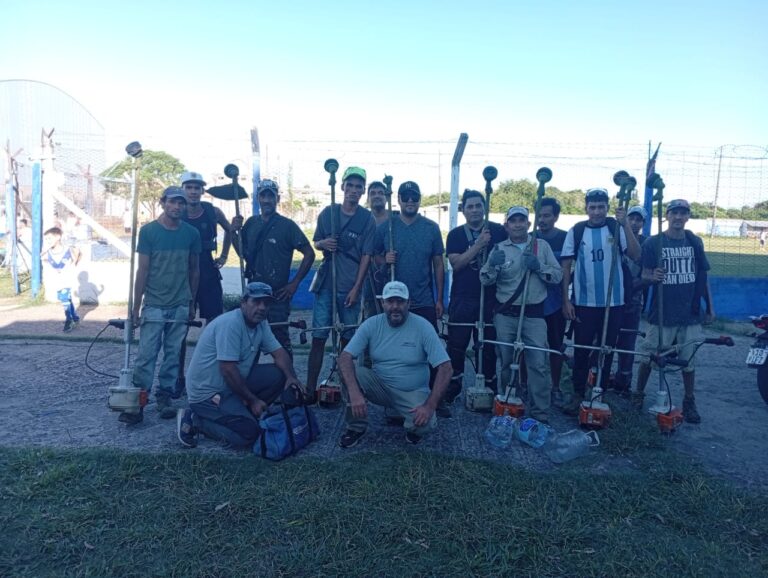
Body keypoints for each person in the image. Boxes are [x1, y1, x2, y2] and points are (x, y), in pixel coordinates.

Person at [176, 282, 305, 449]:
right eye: (256, 302)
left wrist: (292, 378)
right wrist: (252, 400)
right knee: (249, 435)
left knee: (279, 375)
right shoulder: (230, 324)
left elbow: (279, 352)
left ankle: (242, 413)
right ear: (243, 302)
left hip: (230, 385)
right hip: (208, 394)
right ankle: (195, 420)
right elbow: (228, 370)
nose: (262, 308)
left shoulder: (261, 323)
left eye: (266, 303)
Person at [337, 281, 452, 447]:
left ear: (409, 303)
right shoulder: (371, 324)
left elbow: (446, 368)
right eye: (390, 301)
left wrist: (429, 406)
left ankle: (411, 426)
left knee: (425, 425)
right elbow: (345, 357)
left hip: (412, 391)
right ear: (382, 303)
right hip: (379, 385)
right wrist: (354, 393)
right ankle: (355, 427)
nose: (395, 307)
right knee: (349, 372)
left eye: (400, 301)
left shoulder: (423, 326)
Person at [633, 199, 714, 423]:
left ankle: (689, 400)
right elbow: (643, 277)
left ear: (688, 216)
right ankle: (638, 394)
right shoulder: (654, 243)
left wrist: (710, 308)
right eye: (674, 213)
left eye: (683, 213)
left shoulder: (694, 242)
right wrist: (653, 277)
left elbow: (702, 277)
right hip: (661, 313)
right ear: (666, 216)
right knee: (649, 357)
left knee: (689, 362)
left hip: (689, 314)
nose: (678, 217)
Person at [560, 188, 640, 415]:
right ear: (586, 208)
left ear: (607, 208)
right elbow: (566, 266)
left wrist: (625, 224)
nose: (596, 212)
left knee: (607, 350)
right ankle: (577, 394)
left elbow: (635, 254)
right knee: (582, 351)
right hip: (585, 303)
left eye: (601, 207)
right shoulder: (576, 231)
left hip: (613, 303)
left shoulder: (616, 227)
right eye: (592, 207)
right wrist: (566, 300)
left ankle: (599, 393)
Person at [480, 207, 562, 423]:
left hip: (534, 315)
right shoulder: (498, 248)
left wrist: (539, 266)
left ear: (528, 223)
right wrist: (493, 266)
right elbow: (485, 279)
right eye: (513, 220)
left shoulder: (541, 247)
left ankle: (540, 413)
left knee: (538, 364)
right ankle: (509, 402)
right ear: (506, 225)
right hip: (506, 315)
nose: (517, 224)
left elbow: (557, 276)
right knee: (507, 362)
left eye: (521, 220)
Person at [126, 186, 200, 425]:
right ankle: (138, 401)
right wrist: (136, 307)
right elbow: (143, 271)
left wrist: (191, 303)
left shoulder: (191, 234)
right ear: (163, 203)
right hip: (155, 304)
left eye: (181, 203)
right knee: (146, 354)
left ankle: (164, 397)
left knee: (172, 355)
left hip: (180, 303)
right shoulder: (148, 232)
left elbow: (194, 270)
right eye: (173, 202)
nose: (177, 207)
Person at [375, 180, 447, 414]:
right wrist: (385, 260)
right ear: (398, 200)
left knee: (431, 350)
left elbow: (438, 264)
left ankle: (436, 398)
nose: (409, 201)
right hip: (394, 301)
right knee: (395, 348)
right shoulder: (387, 228)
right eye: (405, 197)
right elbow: (373, 258)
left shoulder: (431, 228)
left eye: (413, 197)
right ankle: (394, 399)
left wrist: (439, 299)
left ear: (419, 199)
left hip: (423, 298)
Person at [306, 166, 375, 399]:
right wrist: (323, 243)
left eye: (359, 187)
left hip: (349, 285)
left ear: (362, 191)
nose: (353, 190)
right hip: (327, 284)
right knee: (319, 336)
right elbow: (316, 242)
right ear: (342, 187)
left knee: (348, 340)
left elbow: (366, 255)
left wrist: (357, 288)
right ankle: (309, 389)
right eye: (350, 185)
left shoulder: (367, 219)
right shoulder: (328, 213)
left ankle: (349, 391)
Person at [230, 178, 315, 356]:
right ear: (258, 198)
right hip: (254, 292)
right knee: (249, 340)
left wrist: (295, 283)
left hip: (277, 294)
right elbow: (244, 255)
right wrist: (233, 232)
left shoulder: (287, 226)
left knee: (280, 339)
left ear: (277, 199)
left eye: (271, 196)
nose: (267, 200)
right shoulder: (251, 224)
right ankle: (249, 380)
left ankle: (287, 381)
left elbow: (309, 253)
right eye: (263, 196)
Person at [445, 189, 506, 403]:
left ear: (485, 208)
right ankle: (452, 387)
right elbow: (457, 264)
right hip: (463, 297)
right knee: (456, 345)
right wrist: (479, 245)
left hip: (490, 298)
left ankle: (489, 387)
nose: (474, 210)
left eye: (478, 206)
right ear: (463, 210)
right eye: (469, 206)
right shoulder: (456, 235)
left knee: (487, 345)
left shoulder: (499, 231)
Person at [180, 171, 232, 322]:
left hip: (207, 269)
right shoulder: (176, 212)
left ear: (202, 191)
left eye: (197, 188)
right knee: (181, 320)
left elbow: (229, 230)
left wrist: (224, 255)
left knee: (214, 318)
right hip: (183, 270)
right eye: (189, 187)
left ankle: (209, 346)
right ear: (182, 190)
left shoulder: (212, 212)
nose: (193, 192)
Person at [534, 197, 569, 405]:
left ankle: (555, 387)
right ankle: (524, 384)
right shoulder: (530, 239)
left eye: (547, 215)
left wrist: (566, 301)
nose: (542, 220)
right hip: (533, 303)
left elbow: (567, 271)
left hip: (555, 303)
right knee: (527, 347)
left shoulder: (566, 239)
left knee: (556, 346)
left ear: (556, 217)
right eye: (539, 215)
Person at [611, 205, 648, 394]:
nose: (634, 223)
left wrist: (629, 288)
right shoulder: (614, 237)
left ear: (643, 223)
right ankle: (597, 376)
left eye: (638, 220)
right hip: (611, 300)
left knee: (627, 343)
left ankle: (624, 380)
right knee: (604, 338)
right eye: (631, 218)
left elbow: (647, 277)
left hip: (632, 302)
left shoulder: (646, 244)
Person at [41, 226, 81, 332]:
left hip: (67, 278)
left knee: (64, 297)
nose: (48, 241)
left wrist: (75, 261)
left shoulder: (68, 249)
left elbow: (77, 255)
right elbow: (45, 261)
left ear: (58, 237)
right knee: (65, 298)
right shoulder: (48, 252)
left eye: (50, 238)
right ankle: (75, 317)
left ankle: (69, 320)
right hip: (57, 280)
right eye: (46, 239)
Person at [363, 180, 391, 319]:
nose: (377, 196)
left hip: (390, 273)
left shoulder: (395, 221)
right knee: (371, 313)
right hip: (368, 275)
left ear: (386, 197)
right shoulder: (363, 220)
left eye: (381, 193)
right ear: (368, 198)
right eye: (372, 193)